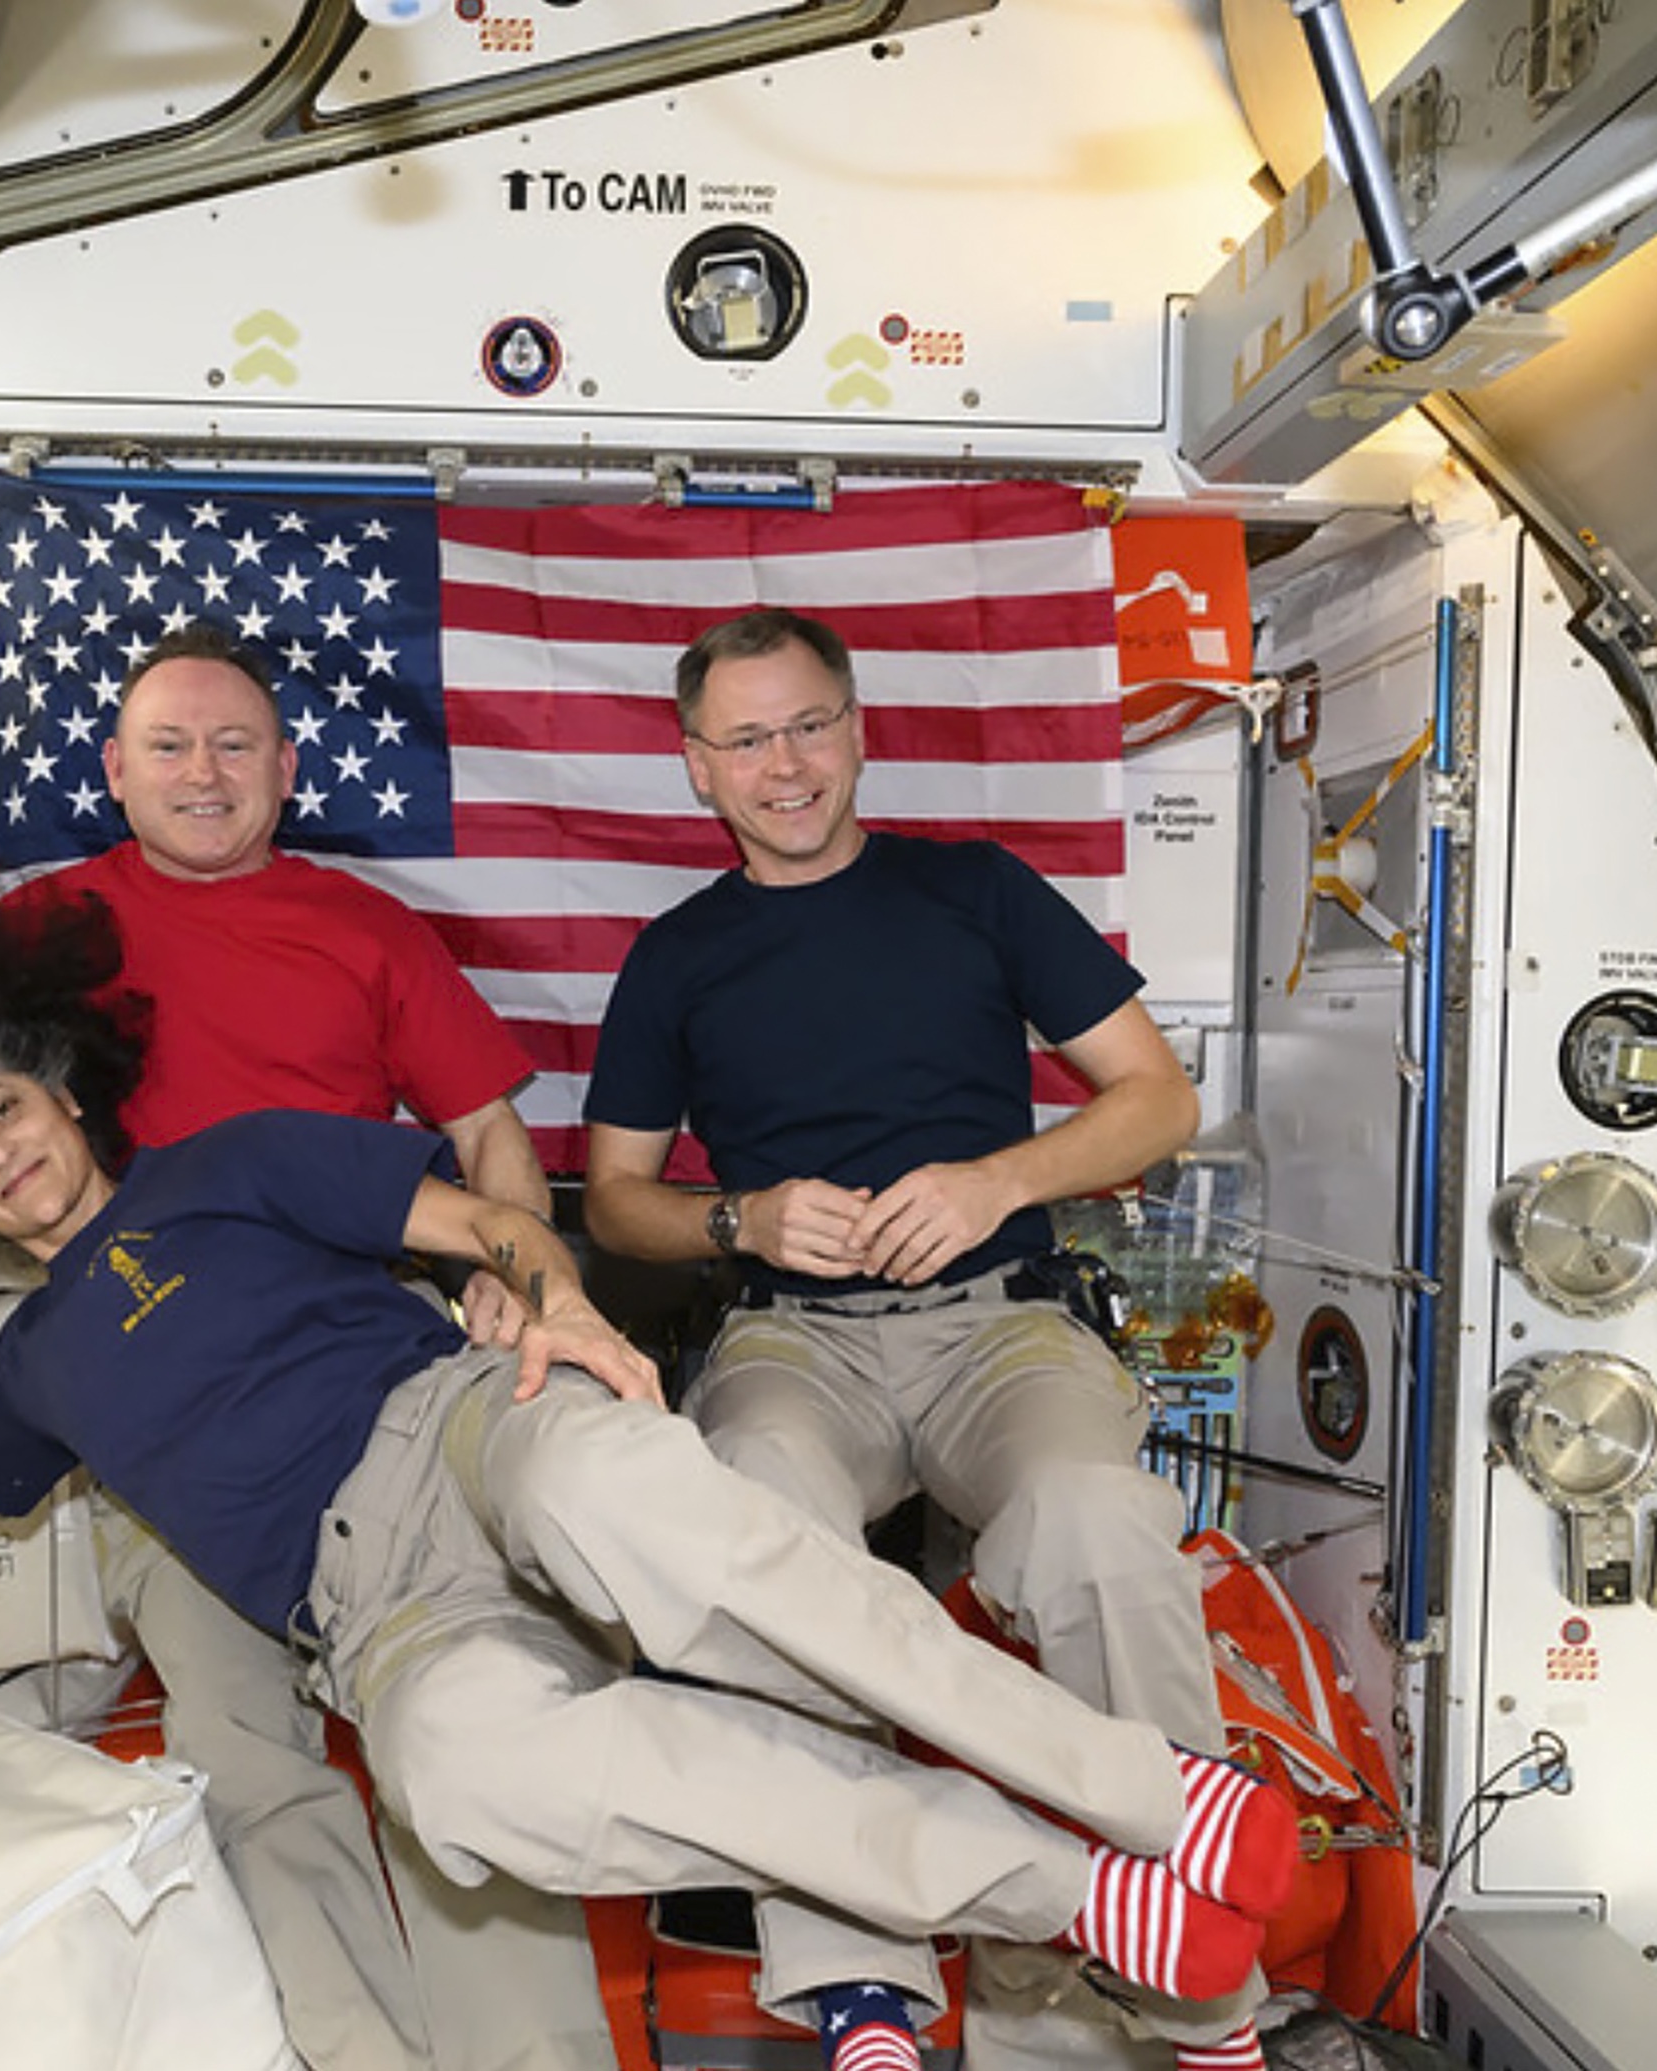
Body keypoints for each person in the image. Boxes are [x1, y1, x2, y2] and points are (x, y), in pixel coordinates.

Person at [0, 839, 1293, 2055]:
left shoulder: (228, 1160)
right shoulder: (33, 1368)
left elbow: (475, 1216)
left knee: (626, 1489)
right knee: (462, 1783)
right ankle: (1079, 1894)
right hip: (373, 1616)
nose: (2, 1160)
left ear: (52, 1085)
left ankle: (1144, 1792)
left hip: (458, 1431)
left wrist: (560, 1312)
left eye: (3, 1113)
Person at [0, 625, 599, 2071]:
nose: (202, 771)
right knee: (249, 1766)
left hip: (376, 1381)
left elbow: (494, 1134)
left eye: (235, 744)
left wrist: (515, 1274)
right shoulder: (42, 930)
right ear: (113, 773)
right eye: (169, 745)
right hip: (155, 1425)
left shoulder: (366, 929)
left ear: (287, 772)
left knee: (475, 1743)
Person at [580, 608, 1263, 2071]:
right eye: (747, 739)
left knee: (1095, 1520)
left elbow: (1155, 1100)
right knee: (759, 1522)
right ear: (698, 768)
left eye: (809, 724)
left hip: (998, 1325)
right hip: (792, 1340)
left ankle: (1198, 1979)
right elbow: (617, 1201)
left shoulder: (977, 893)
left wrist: (997, 1178)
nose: (786, 764)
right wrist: (738, 1222)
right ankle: (858, 1985)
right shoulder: (675, 956)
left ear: (860, 729)